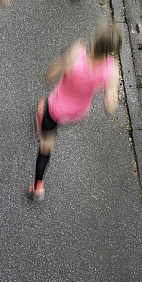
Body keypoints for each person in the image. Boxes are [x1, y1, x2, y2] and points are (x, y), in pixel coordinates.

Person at [29, 21, 123, 200]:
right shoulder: (111, 69)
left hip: (55, 108)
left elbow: (49, 76)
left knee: (46, 145)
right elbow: (110, 107)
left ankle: (38, 185)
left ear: (94, 40)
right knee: (51, 117)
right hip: (78, 112)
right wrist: (112, 83)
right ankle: (45, 116)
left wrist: (66, 57)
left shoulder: (77, 54)